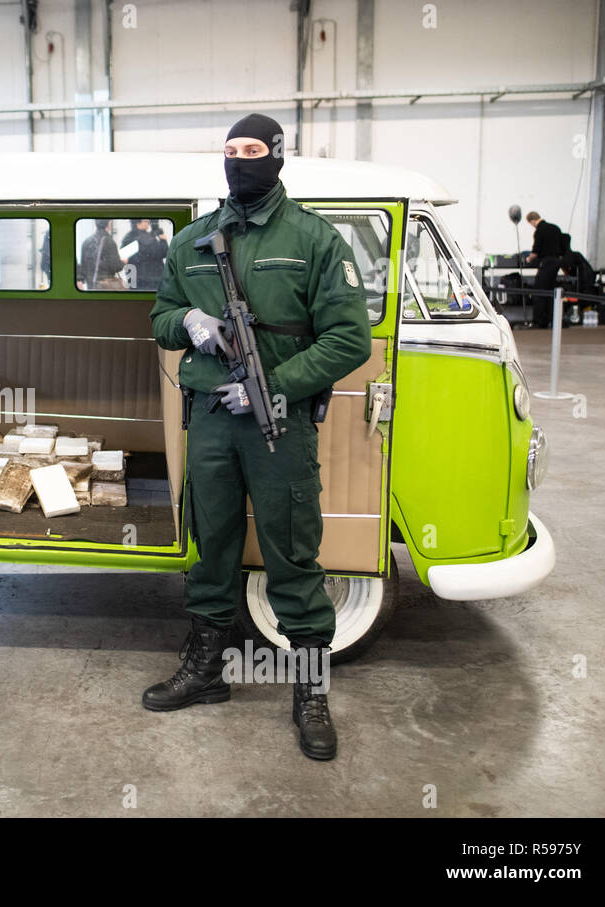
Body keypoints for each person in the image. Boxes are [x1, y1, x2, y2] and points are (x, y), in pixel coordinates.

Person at [147, 114, 371, 761]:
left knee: (292, 552)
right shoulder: (191, 239)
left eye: (252, 151)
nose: (240, 161)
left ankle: (311, 691)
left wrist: (273, 386)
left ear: (277, 156)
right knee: (210, 541)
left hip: (279, 423)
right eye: (230, 151)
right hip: (211, 419)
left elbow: (349, 338)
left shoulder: (314, 239)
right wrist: (186, 320)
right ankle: (206, 671)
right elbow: (158, 315)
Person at [525, 212, 567, 328]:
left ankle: (539, 321)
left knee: (539, 291)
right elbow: (563, 246)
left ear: (532, 221)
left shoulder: (539, 231)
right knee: (552, 292)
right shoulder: (555, 228)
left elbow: (536, 251)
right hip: (557, 262)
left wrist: (528, 259)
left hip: (547, 262)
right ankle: (552, 320)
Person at [121, 218, 169, 290]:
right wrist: (163, 240)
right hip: (152, 279)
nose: (148, 223)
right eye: (146, 221)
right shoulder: (149, 238)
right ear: (138, 223)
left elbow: (124, 258)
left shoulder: (127, 237)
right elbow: (163, 253)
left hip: (135, 279)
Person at [78, 219, 125, 289]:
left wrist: (80, 280)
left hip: (91, 284)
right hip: (106, 285)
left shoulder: (86, 242)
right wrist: (123, 262)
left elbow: (83, 266)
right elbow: (115, 267)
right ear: (109, 224)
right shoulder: (109, 242)